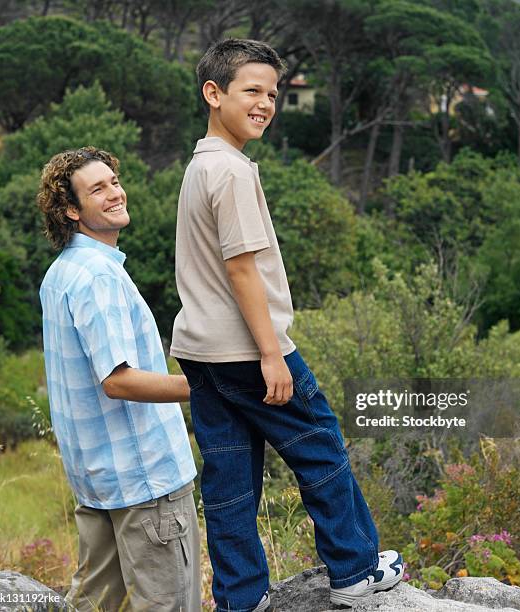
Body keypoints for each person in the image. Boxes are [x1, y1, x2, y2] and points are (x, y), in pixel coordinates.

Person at [171, 39, 404, 612]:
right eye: (252, 90)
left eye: (272, 93)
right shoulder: (231, 171)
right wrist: (272, 354)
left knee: (229, 478)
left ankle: (241, 597)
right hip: (249, 351)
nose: (266, 103)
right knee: (319, 447)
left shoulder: (201, 165)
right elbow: (243, 268)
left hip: (201, 351)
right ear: (214, 93)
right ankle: (354, 569)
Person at [38, 146, 200, 612]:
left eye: (113, 181)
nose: (115, 192)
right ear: (71, 210)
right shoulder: (98, 277)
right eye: (97, 189)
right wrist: (207, 387)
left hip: (98, 482)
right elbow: (119, 380)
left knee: (95, 606)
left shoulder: (61, 272)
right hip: (145, 481)